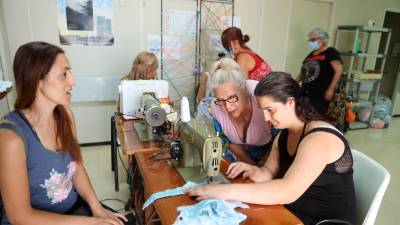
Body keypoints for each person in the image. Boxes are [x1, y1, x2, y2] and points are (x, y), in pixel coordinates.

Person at [186, 72, 355, 225]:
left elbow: (287, 191)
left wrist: (224, 191)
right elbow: (268, 173)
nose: (266, 118)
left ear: (290, 102)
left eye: (270, 110)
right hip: (293, 213)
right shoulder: (284, 135)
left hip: (323, 221)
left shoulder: (320, 138)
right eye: (263, 111)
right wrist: (252, 170)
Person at [0, 42, 127, 225]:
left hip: (71, 210)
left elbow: (76, 167)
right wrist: (89, 223)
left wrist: (97, 208)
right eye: (64, 74)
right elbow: (20, 216)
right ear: (37, 80)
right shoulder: (11, 139)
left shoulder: (65, 115)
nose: (72, 81)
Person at [209, 58, 272, 165]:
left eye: (232, 98)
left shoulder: (262, 100)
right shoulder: (216, 108)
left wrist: (262, 168)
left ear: (243, 89)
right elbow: (227, 142)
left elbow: (279, 139)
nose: (227, 107)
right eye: (220, 100)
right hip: (239, 161)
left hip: (269, 161)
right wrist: (251, 166)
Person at [298, 27, 343, 114]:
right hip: (307, 92)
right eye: (310, 40)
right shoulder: (311, 54)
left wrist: (331, 89)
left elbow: (338, 70)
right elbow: (303, 72)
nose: (311, 42)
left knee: (315, 115)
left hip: (321, 93)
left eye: (313, 39)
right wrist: (295, 82)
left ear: (322, 39)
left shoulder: (330, 52)